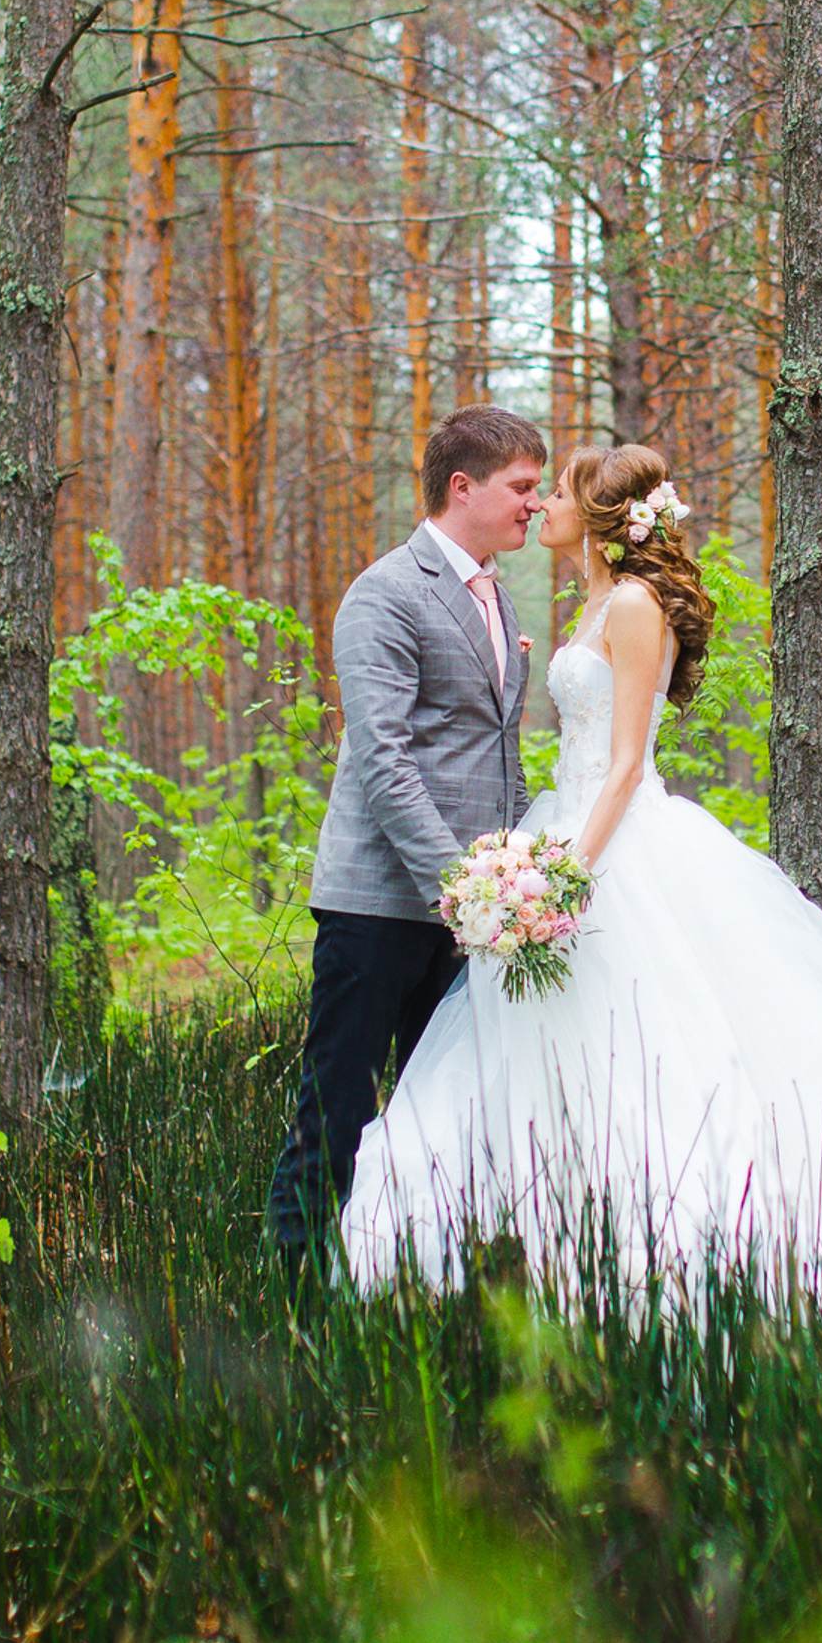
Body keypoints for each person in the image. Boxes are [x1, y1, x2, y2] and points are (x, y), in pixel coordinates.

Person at [339, 443, 822, 1343]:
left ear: (599, 515)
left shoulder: (632, 604)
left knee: (651, 1060)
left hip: (611, 849)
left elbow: (628, 765)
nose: (541, 505)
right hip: (562, 829)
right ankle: (548, 1261)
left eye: (555, 491)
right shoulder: (587, 601)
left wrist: (560, 880)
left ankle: (676, 1267)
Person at [267, 405, 547, 1273]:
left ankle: (410, 1275)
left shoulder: (496, 593)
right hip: (381, 904)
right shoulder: (385, 592)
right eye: (521, 487)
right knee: (338, 1103)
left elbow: (492, 754)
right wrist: (463, 884)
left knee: (443, 1109)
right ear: (462, 487)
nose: (534, 505)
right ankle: (298, 1289)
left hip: (467, 913)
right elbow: (384, 763)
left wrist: (525, 865)